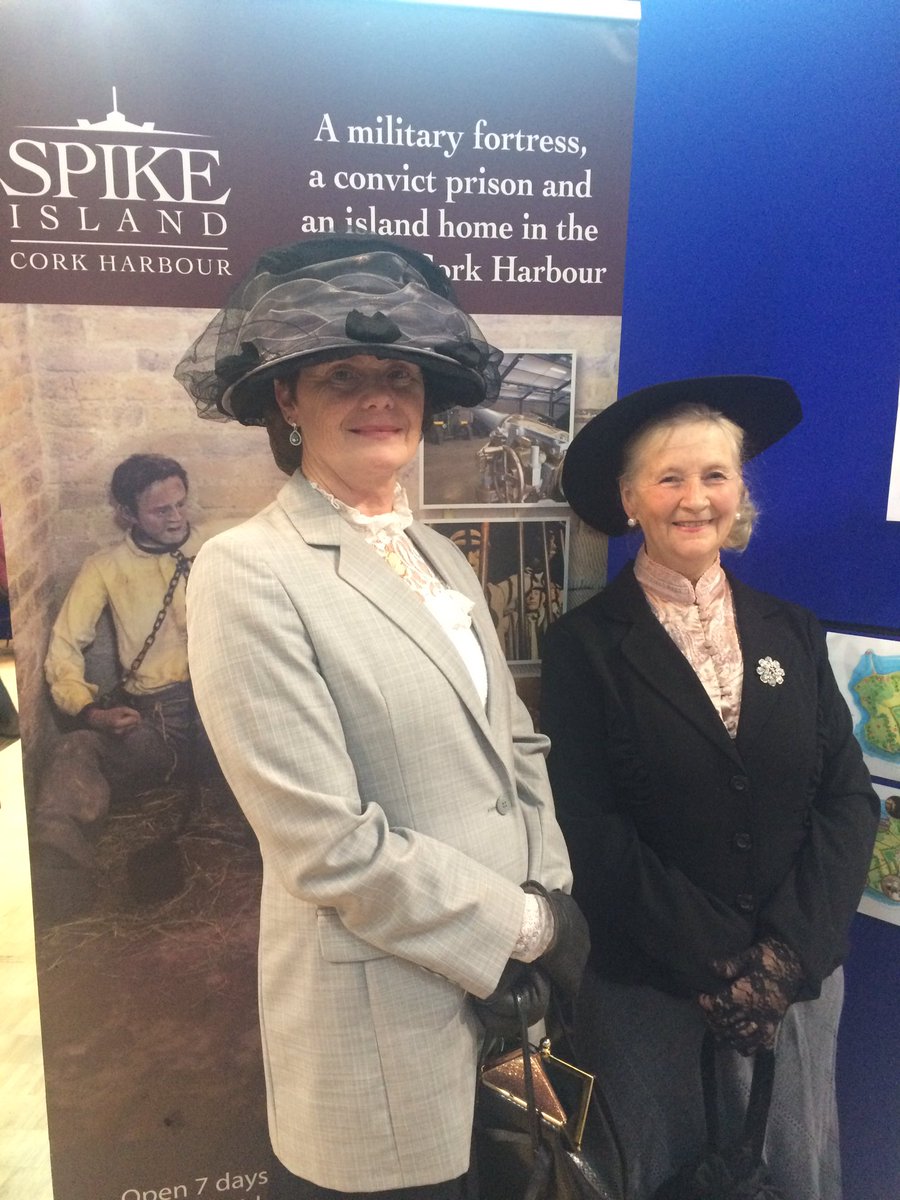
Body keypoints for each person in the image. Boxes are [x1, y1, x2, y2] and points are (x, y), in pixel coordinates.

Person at [175, 234, 587, 1200]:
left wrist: (553, 887)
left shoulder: (440, 557)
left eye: (399, 375)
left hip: (499, 1007)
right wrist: (526, 927)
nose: (379, 398)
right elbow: (325, 843)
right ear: (287, 399)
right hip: (382, 1011)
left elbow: (514, 745)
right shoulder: (250, 569)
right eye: (341, 376)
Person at [540, 377, 879, 1200]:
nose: (695, 499)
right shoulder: (583, 646)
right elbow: (589, 828)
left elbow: (847, 800)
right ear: (630, 500)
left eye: (715, 475)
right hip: (655, 993)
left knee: (794, 1171)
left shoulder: (791, 630)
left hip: (795, 989)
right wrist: (722, 965)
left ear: (740, 492)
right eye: (669, 478)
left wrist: (782, 959)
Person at [30, 453, 206, 920]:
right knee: (74, 751)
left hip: (223, 709)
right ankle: (59, 867)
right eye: (160, 510)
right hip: (160, 724)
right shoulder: (105, 567)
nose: (175, 518)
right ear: (127, 514)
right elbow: (64, 646)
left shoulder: (219, 549)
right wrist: (92, 712)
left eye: (181, 505)